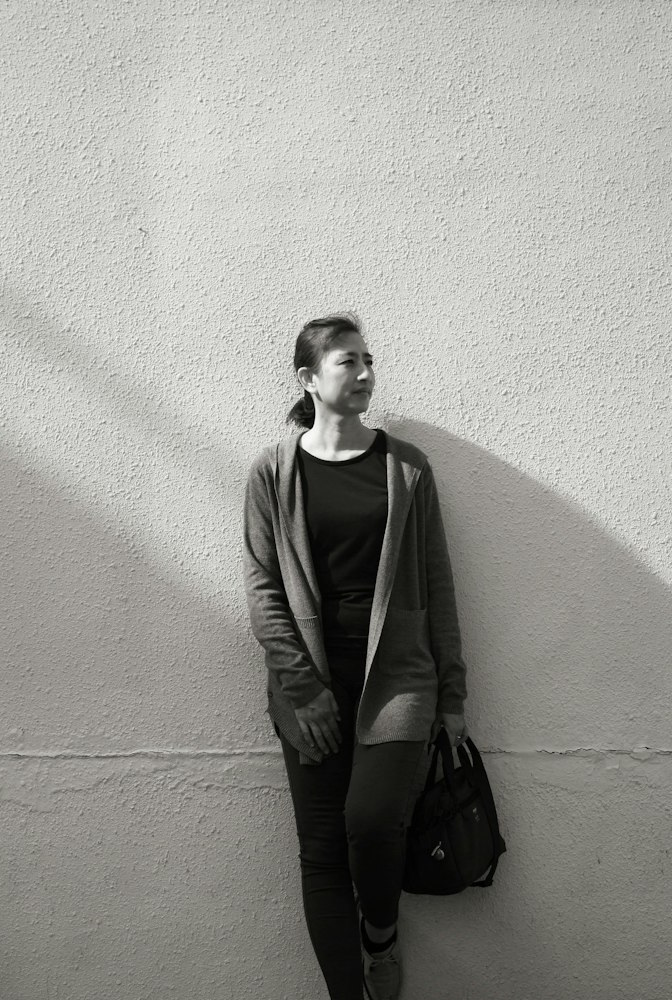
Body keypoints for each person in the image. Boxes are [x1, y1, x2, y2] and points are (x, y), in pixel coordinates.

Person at [242, 313, 468, 1000]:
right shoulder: (271, 471)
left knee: (369, 823)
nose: (367, 372)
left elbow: (437, 584)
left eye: (370, 359)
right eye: (349, 361)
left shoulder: (406, 470)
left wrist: (452, 695)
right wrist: (303, 692)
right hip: (308, 683)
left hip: (396, 677)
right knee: (320, 852)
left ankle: (380, 934)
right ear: (307, 378)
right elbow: (261, 586)